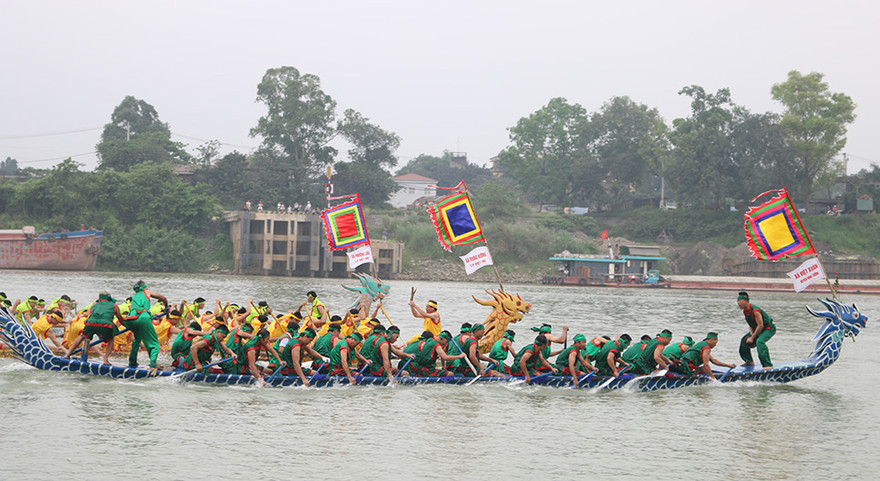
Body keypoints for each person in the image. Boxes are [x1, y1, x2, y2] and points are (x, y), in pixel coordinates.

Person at [64, 292, 125, 364]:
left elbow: (86, 314)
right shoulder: (114, 306)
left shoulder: (95, 304)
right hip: (106, 325)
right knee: (111, 340)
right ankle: (105, 360)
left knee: (82, 336)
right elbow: (120, 319)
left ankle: (67, 354)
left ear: (99, 299)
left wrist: (82, 315)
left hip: (91, 323)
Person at [123, 280, 168, 370]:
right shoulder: (147, 292)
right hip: (143, 318)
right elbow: (163, 298)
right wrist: (166, 308)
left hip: (131, 319)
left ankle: (132, 361)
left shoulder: (135, 295)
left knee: (137, 340)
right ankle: (153, 365)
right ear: (145, 287)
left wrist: (151, 316)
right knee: (154, 344)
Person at [737, 291, 776, 369]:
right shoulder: (745, 310)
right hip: (758, 328)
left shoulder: (755, 311)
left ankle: (768, 365)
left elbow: (760, 325)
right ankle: (749, 361)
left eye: (740, 301)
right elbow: (751, 323)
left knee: (760, 341)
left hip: (768, 328)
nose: (738, 303)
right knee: (744, 340)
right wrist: (751, 333)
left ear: (746, 301)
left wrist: (752, 338)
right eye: (738, 301)